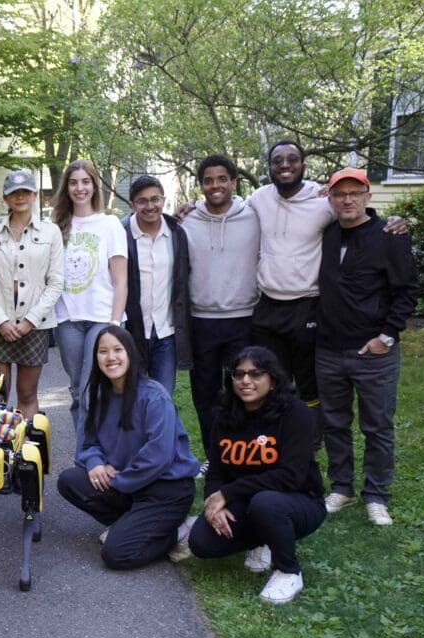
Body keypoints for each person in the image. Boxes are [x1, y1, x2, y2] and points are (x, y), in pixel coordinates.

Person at [247, 141, 405, 444]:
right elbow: (229, 209)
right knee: (269, 379)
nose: (285, 165)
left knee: (309, 384)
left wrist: (395, 222)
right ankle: (273, 438)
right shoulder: (258, 198)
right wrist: (189, 209)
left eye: (292, 159)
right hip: (267, 306)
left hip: (308, 306)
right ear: (269, 167)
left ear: (303, 165)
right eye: (277, 160)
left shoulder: (323, 201)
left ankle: (308, 440)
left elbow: (359, 216)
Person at [316, 168, 418, 525]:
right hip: (328, 349)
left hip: (373, 352)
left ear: (367, 197)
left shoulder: (390, 235)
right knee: (334, 423)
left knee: (377, 426)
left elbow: (407, 292)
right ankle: (342, 488)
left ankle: (376, 495)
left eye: (354, 193)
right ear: (330, 199)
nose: (347, 200)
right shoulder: (326, 234)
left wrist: (385, 337)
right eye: (339, 193)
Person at [185, 346, 326, 605]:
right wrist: (212, 504)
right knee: (202, 543)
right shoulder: (225, 415)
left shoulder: (296, 414)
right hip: (247, 501)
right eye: (238, 375)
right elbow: (216, 470)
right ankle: (262, 540)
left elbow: (290, 476)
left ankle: (288, 571)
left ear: (272, 380)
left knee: (266, 503)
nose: (245, 381)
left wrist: (227, 493)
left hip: (296, 500)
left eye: (255, 374)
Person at [57, 326, 200, 570]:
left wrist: (118, 481)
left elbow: (159, 456)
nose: (110, 357)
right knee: (70, 480)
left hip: (166, 488)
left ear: (130, 354)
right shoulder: (101, 395)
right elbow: (88, 444)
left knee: (117, 554)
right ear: (96, 358)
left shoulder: (154, 396)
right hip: (128, 483)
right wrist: (95, 463)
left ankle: (181, 532)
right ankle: (129, 523)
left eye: (117, 350)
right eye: (103, 351)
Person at [180, 155, 259, 459]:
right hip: (201, 321)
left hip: (244, 318)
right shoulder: (186, 220)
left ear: (233, 182)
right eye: (208, 180)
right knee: (205, 394)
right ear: (200, 186)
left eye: (222, 179)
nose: (215, 185)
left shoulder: (253, 216)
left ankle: (246, 453)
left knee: (245, 390)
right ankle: (216, 457)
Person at [0, 169, 64, 418]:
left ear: (34, 195)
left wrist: (30, 321)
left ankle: (27, 449)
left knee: (27, 394)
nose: (20, 197)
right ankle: (0, 452)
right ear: (5, 198)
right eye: (14, 193)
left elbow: (55, 282)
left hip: (34, 326)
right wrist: (0, 321)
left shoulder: (50, 233)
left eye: (25, 192)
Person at [50, 159, 128, 430]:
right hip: (67, 318)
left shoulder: (109, 224)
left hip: (103, 318)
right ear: (66, 188)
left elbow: (121, 280)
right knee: (76, 388)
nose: (79, 188)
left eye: (85, 182)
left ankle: (89, 455)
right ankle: (87, 452)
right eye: (73, 182)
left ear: (94, 186)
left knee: (91, 387)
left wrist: (115, 325)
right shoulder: (57, 226)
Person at [122, 175, 192, 395]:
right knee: (130, 397)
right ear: (132, 204)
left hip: (166, 333)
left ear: (163, 199)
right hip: (131, 332)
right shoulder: (120, 233)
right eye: (142, 201)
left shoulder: (176, 233)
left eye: (155, 199)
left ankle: (160, 431)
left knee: (162, 398)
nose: (150, 206)